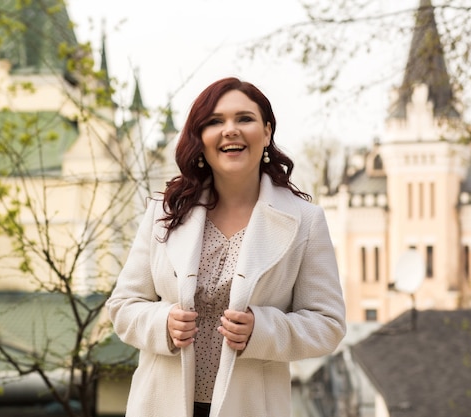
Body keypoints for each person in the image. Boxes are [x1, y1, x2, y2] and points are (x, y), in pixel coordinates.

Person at [106, 77, 346, 417]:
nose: (230, 129)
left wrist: (262, 331)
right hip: (158, 405)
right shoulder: (164, 212)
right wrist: (163, 323)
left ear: (266, 133)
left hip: (253, 407)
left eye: (244, 119)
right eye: (215, 121)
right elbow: (122, 306)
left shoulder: (305, 221)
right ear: (200, 139)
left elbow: (328, 325)